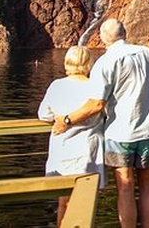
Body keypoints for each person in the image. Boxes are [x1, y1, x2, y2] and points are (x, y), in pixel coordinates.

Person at [53, 19, 149, 228]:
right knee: (148, 185)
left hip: (121, 133)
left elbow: (97, 104)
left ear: (102, 38)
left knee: (125, 187)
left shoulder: (105, 62)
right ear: (125, 32)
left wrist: (67, 120)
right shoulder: (146, 53)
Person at [38, 45, 105, 227]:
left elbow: (43, 114)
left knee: (64, 201)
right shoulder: (95, 87)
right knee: (87, 203)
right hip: (88, 151)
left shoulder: (57, 86)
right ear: (89, 63)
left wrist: (60, 118)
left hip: (63, 149)